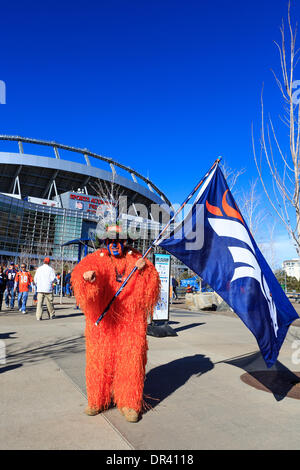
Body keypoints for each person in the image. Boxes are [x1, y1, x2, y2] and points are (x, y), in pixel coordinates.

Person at [71, 221, 160, 423]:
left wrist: (145, 271)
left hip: (131, 324)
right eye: (111, 240)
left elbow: (152, 289)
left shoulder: (139, 258)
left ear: (126, 241)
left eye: (119, 240)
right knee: (99, 361)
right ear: (105, 241)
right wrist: (87, 279)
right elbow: (79, 277)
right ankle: (97, 399)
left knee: (130, 362)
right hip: (103, 324)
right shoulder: (95, 258)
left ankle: (129, 403)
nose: (115, 244)